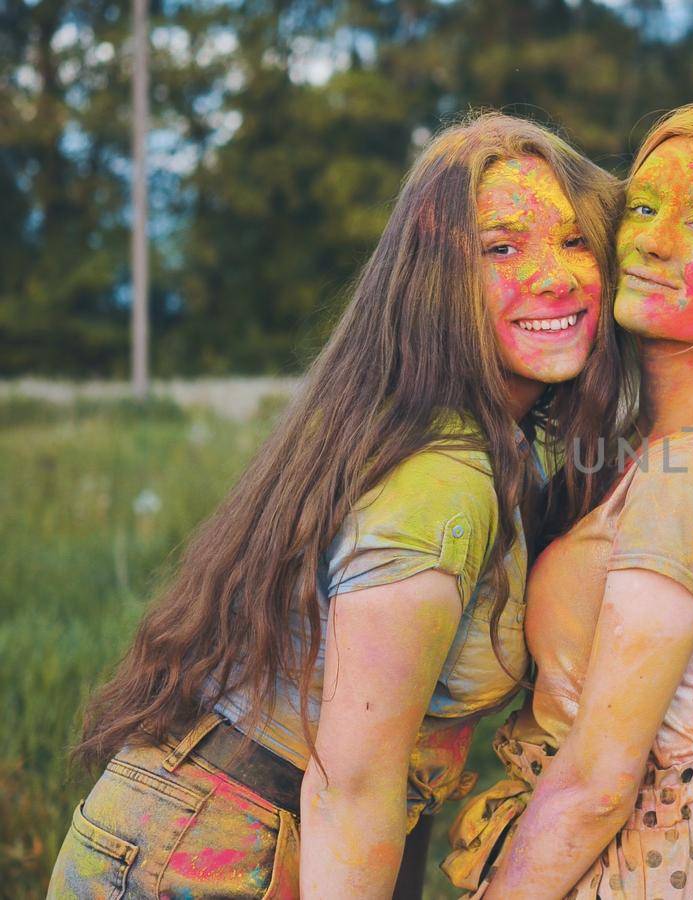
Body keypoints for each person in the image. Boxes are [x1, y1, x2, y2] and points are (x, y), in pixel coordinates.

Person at [48, 112, 626, 898]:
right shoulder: (440, 481)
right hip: (217, 850)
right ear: (434, 280)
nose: (554, 274)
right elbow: (349, 789)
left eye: (573, 240)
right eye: (501, 247)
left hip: (229, 828)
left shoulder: (465, 430)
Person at [442, 100, 693, 898]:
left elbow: (598, 784)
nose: (651, 238)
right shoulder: (664, 447)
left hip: (648, 870)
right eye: (643, 208)